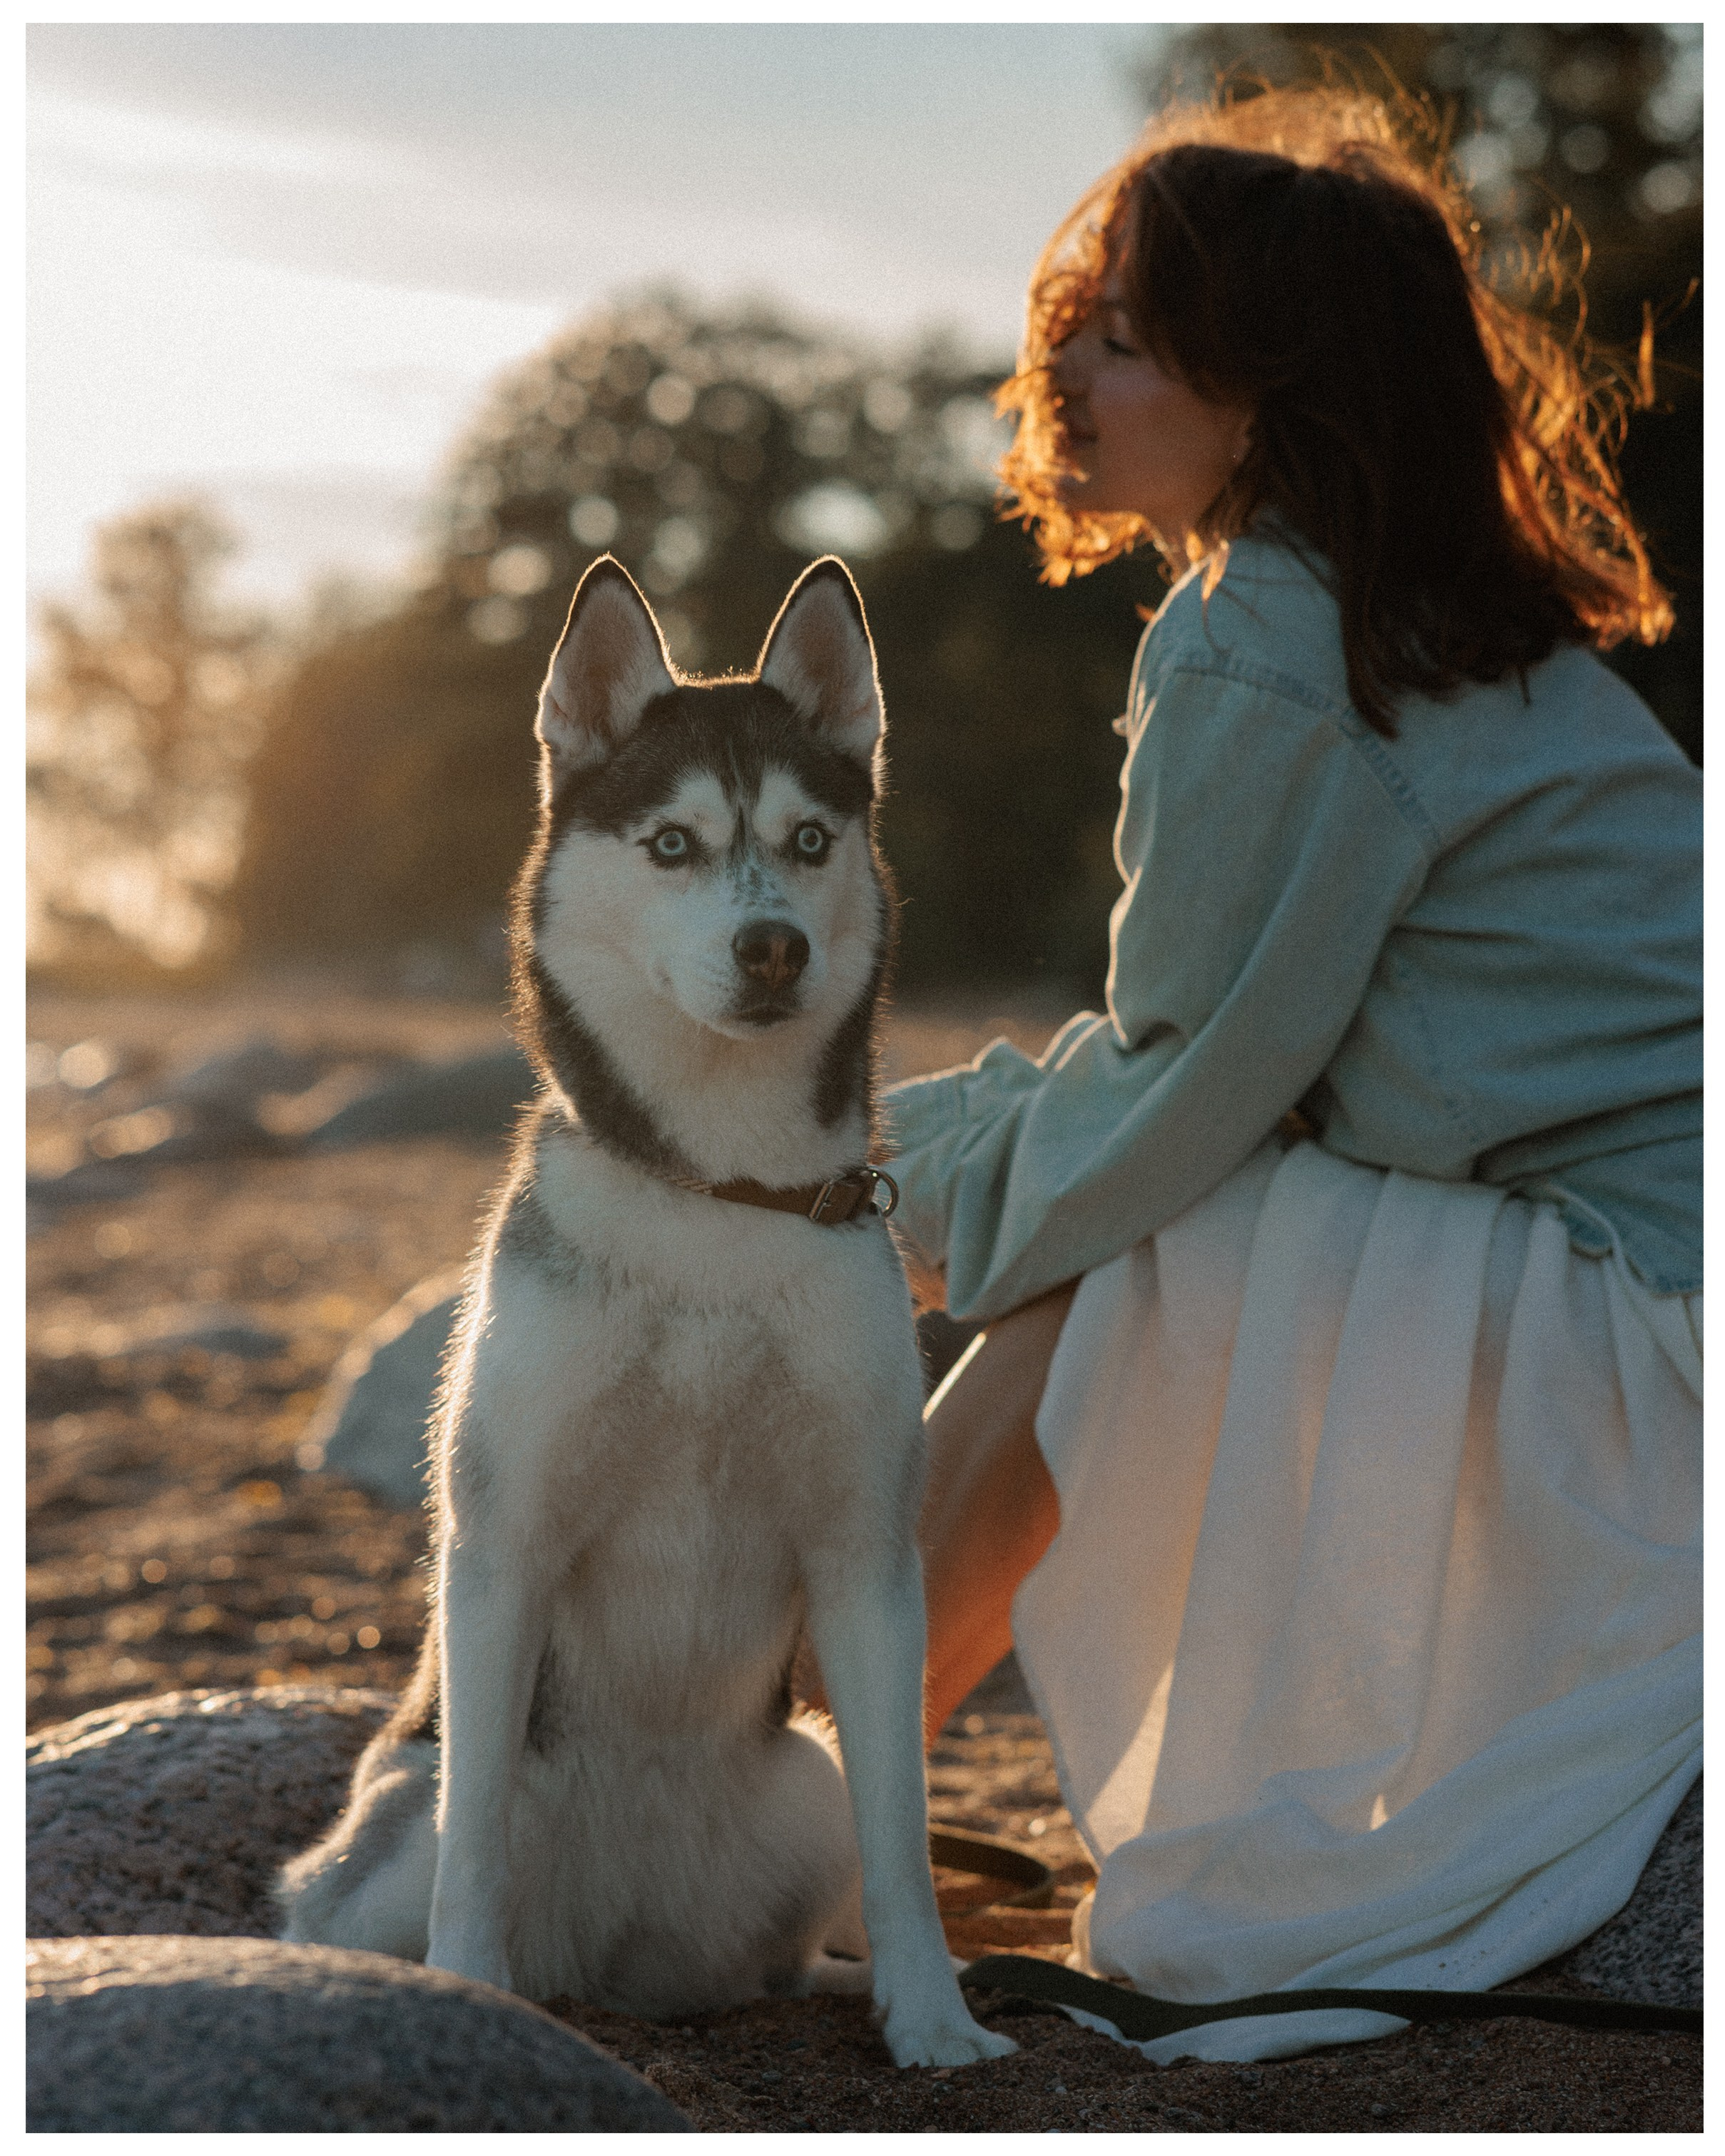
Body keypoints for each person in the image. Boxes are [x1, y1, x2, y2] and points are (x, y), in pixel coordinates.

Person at [886, 82, 1701, 2064]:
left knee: (1124, 1250)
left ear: (1270, 394)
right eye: (1075, 319)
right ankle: (830, 1757)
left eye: (1131, 338)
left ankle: (807, 1769)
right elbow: (1246, 1070)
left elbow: (1186, 1088)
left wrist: (862, 1165)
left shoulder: (1272, 641)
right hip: (1647, 1295)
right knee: (1139, 1224)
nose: (1068, 366)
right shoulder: (1423, 623)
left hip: (1651, 1326)